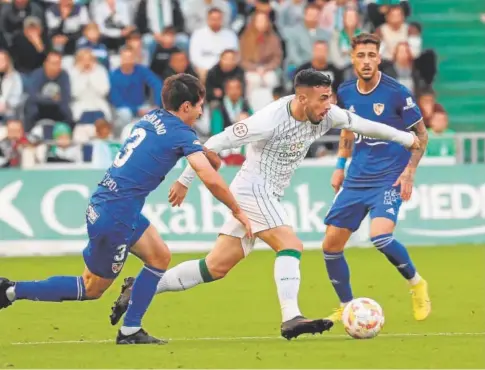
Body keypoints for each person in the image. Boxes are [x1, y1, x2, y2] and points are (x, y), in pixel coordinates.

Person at [109, 69, 421, 340]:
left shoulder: (330, 115)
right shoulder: (269, 119)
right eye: (323, 98)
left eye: (330, 97)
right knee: (291, 244)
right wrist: (185, 180)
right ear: (301, 98)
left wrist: (407, 140)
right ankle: (291, 316)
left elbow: (366, 125)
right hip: (252, 188)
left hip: (269, 193)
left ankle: (137, 288)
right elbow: (214, 143)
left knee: (214, 267)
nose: (329, 105)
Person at [0, 73, 252, 345]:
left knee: (159, 256)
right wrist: (237, 210)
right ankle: (12, 291)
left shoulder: (152, 117)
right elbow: (210, 177)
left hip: (115, 205)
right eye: (199, 105)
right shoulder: (181, 133)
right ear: (186, 107)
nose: (202, 110)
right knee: (91, 287)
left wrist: (201, 153)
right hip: (116, 215)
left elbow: (185, 149)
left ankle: (131, 329)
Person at [322, 33, 431, 324]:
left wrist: (409, 172)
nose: (367, 61)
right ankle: (347, 307)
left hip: (389, 178)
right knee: (330, 247)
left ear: (379, 58)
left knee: (380, 236)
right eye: (361, 55)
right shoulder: (345, 91)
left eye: (372, 55)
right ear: (352, 58)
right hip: (356, 178)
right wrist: (340, 165)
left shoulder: (397, 92)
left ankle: (416, 283)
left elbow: (421, 135)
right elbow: (347, 129)